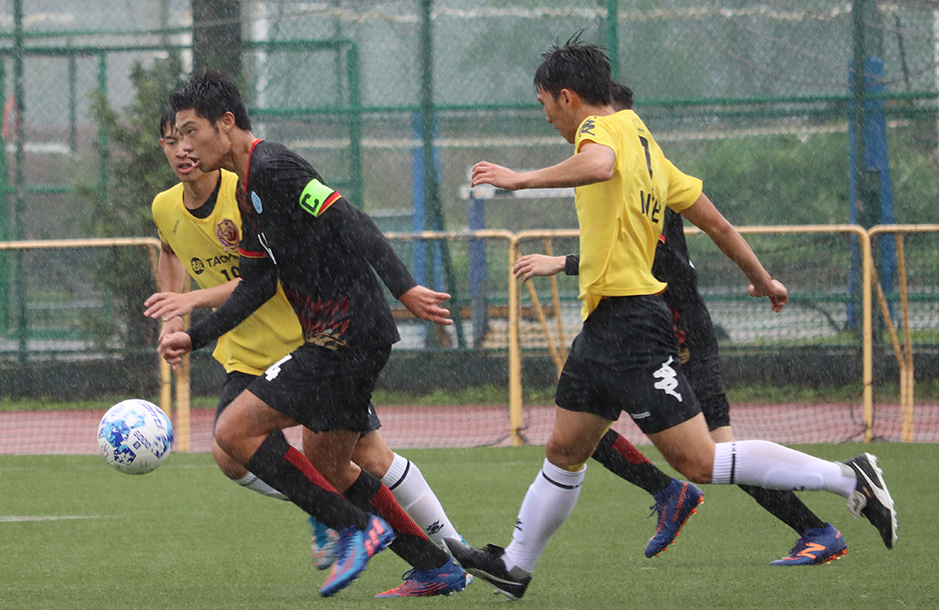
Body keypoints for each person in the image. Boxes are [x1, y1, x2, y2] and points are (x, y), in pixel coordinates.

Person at [446, 38, 897, 601]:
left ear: (567, 96)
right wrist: (762, 278)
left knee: (700, 460)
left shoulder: (600, 132)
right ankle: (515, 565)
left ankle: (849, 478)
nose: (550, 120)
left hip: (634, 323)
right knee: (565, 449)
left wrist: (520, 178)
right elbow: (716, 223)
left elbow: (599, 163)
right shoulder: (648, 144)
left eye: (546, 107)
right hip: (604, 325)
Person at [511, 82, 847, 567]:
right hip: (636, 332)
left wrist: (562, 259)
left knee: (715, 456)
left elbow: (657, 260)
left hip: (674, 330)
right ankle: (671, 494)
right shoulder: (633, 168)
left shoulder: (638, 168)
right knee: (579, 433)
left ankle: (819, 519)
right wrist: (764, 280)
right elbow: (694, 235)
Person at [157, 74, 467, 598]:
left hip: (346, 332)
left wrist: (405, 287)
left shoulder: (274, 167)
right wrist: (196, 336)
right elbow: (256, 283)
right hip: (342, 334)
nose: (184, 147)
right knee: (330, 465)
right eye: (176, 137)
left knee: (233, 432)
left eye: (192, 132)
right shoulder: (250, 194)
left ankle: (354, 528)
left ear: (226, 124)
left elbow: (350, 217)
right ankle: (435, 565)